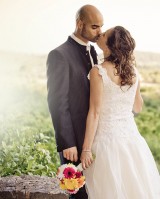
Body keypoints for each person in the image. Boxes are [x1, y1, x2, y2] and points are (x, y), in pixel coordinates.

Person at [80, 26, 160, 198]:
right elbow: (138, 107)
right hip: (132, 141)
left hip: (106, 142)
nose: (100, 34)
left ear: (111, 45)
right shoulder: (133, 72)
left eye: (104, 34)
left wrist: (86, 149)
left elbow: (95, 113)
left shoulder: (98, 72)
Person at [46, 5, 103, 199]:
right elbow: (57, 102)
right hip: (73, 143)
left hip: (94, 139)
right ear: (80, 24)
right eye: (95, 27)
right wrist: (67, 142)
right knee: (78, 196)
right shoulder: (59, 55)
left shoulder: (93, 51)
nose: (100, 32)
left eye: (101, 27)